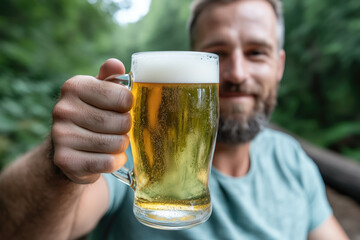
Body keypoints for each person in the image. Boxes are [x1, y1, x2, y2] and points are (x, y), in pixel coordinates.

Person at [0, 0, 349, 239]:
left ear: (280, 66)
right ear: (196, 61)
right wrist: (59, 169)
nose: (237, 73)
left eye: (257, 52)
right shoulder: (141, 149)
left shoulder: (291, 160)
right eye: (217, 53)